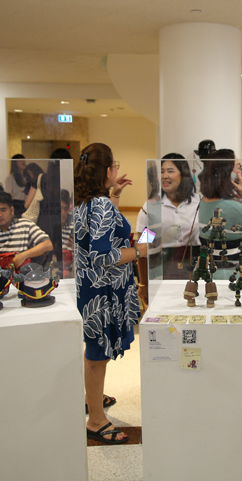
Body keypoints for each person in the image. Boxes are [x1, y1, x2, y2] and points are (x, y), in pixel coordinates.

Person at [74, 143, 146, 445]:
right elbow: (102, 256)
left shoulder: (90, 201)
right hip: (102, 291)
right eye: (114, 165)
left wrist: (114, 193)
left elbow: (106, 230)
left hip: (91, 287)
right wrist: (140, 250)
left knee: (96, 351)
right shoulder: (100, 205)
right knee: (97, 354)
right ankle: (96, 421)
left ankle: (94, 398)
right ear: (107, 170)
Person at [136, 154, 202, 304]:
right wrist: (144, 284)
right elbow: (143, 249)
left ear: (183, 174)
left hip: (195, 274)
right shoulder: (151, 208)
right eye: (162, 171)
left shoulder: (199, 203)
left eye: (170, 171)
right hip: (161, 273)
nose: (165, 176)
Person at [0, 191, 53, 266]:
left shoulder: (25, 225)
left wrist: (23, 255)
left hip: (20, 278)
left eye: (3, 210)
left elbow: (48, 245)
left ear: (11, 210)